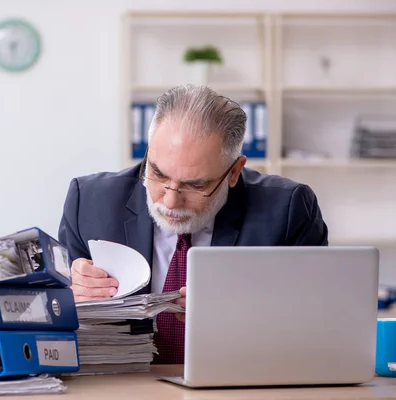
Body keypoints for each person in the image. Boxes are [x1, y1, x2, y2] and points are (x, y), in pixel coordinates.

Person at [58, 84, 328, 364]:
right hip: (122, 385)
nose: (171, 202)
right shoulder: (89, 202)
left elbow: (320, 320)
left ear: (234, 172)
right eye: (158, 174)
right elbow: (47, 317)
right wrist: (69, 295)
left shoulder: (288, 209)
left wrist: (240, 314)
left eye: (195, 185)